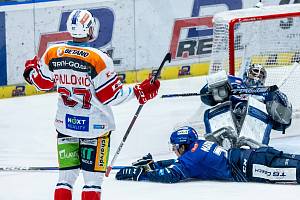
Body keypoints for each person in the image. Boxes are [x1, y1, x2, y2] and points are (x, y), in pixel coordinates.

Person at [23, 9, 160, 200]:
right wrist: (139, 91)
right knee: (92, 184)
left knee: (64, 180)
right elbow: (111, 96)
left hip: (66, 126)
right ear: (89, 30)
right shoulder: (98, 58)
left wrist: (29, 71)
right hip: (95, 129)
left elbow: (41, 82)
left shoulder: (52, 52)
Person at [115, 126, 300, 184]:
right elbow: (180, 163)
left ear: (183, 144)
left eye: (175, 146)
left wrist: (143, 174)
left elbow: (171, 175)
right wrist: (154, 164)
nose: (174, 149)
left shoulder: (191, 159)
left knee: (296, 172)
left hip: (252, 168)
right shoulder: (199, 145)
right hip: (253, 156)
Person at [199, 64, 292, 148]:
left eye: (260, 75)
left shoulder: (267, 94)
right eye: (254, 73)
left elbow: (283, 124)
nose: (257, 77)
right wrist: (221, 91)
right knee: (212, 112)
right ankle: (218, 140)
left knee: (260, 112)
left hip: (252, 127)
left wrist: (276, 98)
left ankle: (253, 147)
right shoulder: (233, 82)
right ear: (247, 73)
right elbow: (205, 97)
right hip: (228, 120)